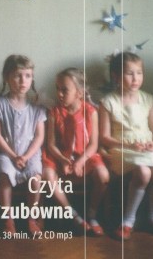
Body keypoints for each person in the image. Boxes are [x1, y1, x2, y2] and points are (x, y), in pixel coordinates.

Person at [99, 52, 153, 240]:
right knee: (143, 172)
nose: (135, 79)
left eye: (139, 73)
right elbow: (105, 138)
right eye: (129, 73)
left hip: (146, 149)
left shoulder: (148, 99)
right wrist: (129, 145)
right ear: (116, 76)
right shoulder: (108, 102)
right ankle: (128, 221)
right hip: (121, 149)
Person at [43, 67, 109, 236]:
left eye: (64, 90)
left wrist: (80, 162)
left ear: (79, 93)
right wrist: (63, 160)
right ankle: (73, 216)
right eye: (57, 89)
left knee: (103, 175)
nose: (59, 94)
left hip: (85, 155)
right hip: (61, 156)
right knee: (48, 176)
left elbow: (93, 144)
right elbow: (51, 144)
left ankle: (92, 215)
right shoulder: (54, 113)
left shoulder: (91, 112)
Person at [0, 55, 46, 237]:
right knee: (4, 175)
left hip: (30, 153)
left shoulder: (37, 107)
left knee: (35, 178)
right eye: (17, 76)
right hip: (7, 153)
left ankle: (31, 218)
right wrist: (13, 156)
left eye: (27, 76)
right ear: (7, 78)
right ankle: (8, 219)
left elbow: (39, 136)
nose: (23, 81)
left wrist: (26, 156)